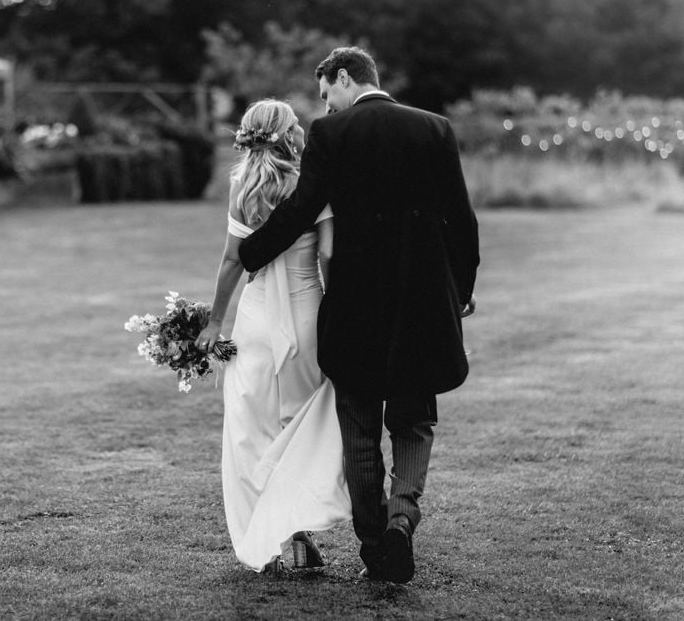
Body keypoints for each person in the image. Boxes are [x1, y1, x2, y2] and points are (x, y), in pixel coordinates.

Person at [237, 48, 479, 584]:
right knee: (414, 421)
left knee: (360, 431)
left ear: (345, 78)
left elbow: (300, 209)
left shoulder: (332, 135)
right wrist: (460, 291)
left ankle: (374, 548)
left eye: (326, 95)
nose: (324, 108)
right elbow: (460, 218)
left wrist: (249, 255)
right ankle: (402, 521)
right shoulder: (434, 129)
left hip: (356, 308)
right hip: (421, 303)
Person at [195, 99, 351, 573]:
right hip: (307, 315)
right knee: (303, 425)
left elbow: (231, 261)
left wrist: (214, 322)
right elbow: (327, 254)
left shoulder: (244, 184)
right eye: (297, 125)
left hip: (256, 320)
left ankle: (274, 542)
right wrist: (336, 303)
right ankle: (295, 528)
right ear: (288, 134)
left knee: (250, 430)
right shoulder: (313, 179)